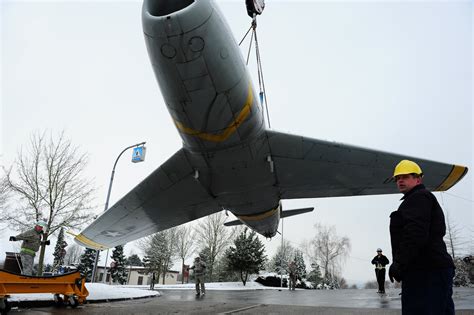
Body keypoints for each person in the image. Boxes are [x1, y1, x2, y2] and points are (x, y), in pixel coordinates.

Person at [388, 160, 455, 314]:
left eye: (405, 177)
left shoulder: (419, 197)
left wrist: (399, 263)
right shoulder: (418, 198)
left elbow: (415, 233)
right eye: (397, 178)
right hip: (432, 269)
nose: (400, 181)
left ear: (418, 179)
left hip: (426, 272)